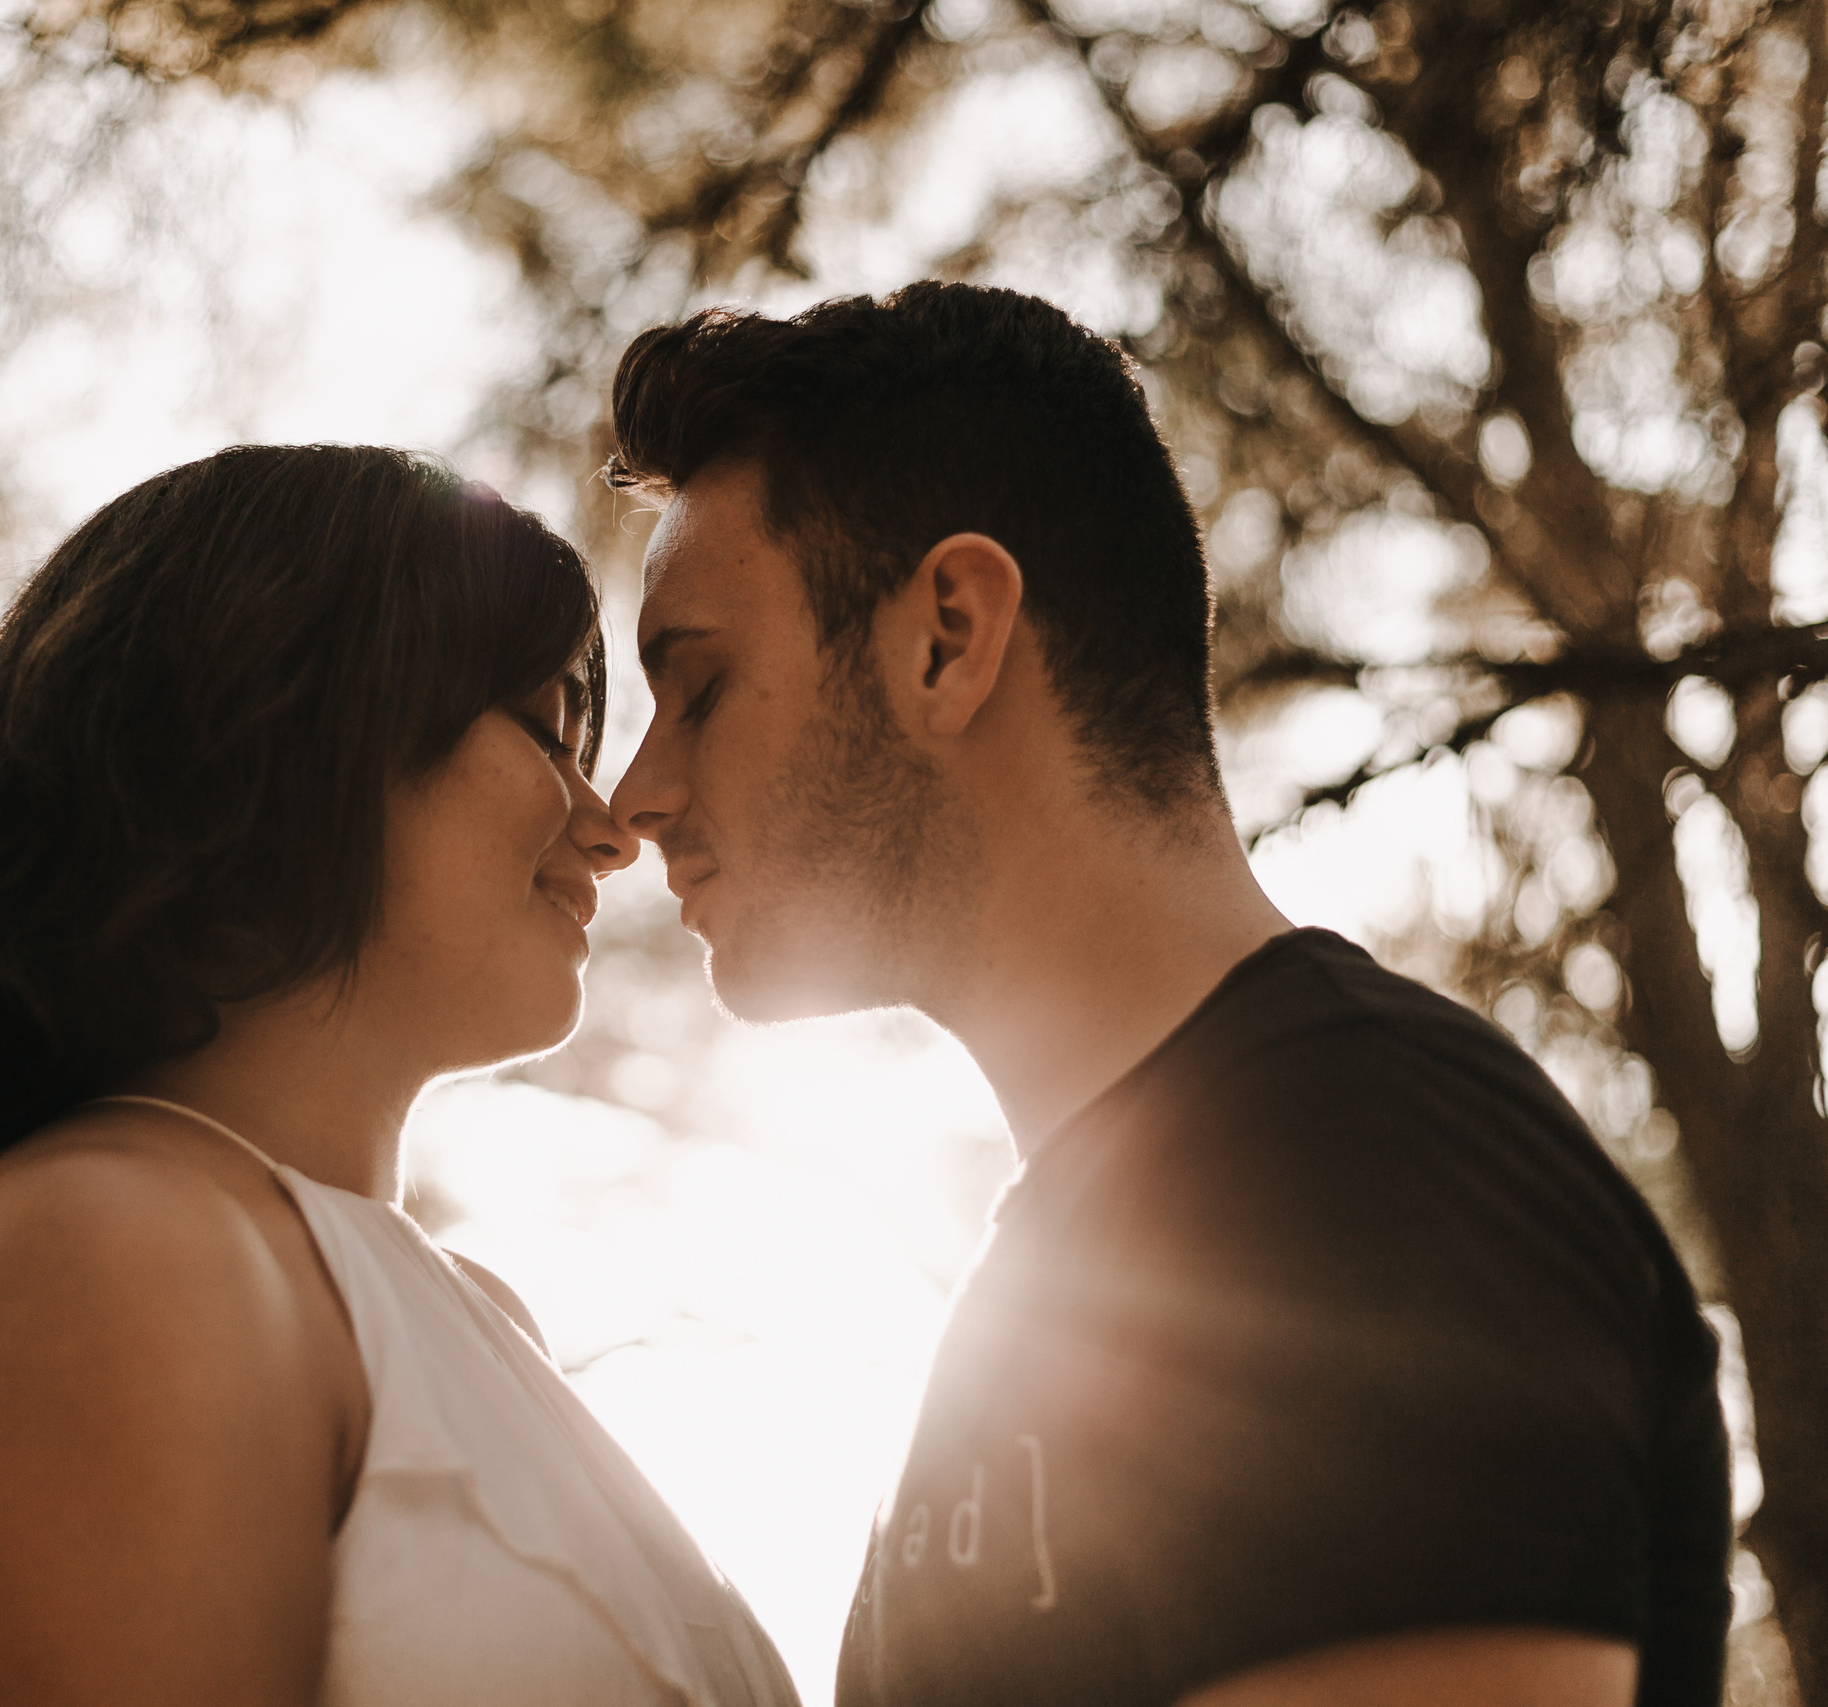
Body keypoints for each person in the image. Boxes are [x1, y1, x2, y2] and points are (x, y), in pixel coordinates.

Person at [601, 283, 1731, 1707]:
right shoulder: (1065, 1275)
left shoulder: (1364, 1169)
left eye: (695, 686)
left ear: (947, 631)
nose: (635, 796)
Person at [0, 445, 799, 1707]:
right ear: (286, 713)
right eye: (553, 728)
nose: (608, 826)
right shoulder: (99, 1257)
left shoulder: (467, 1312)